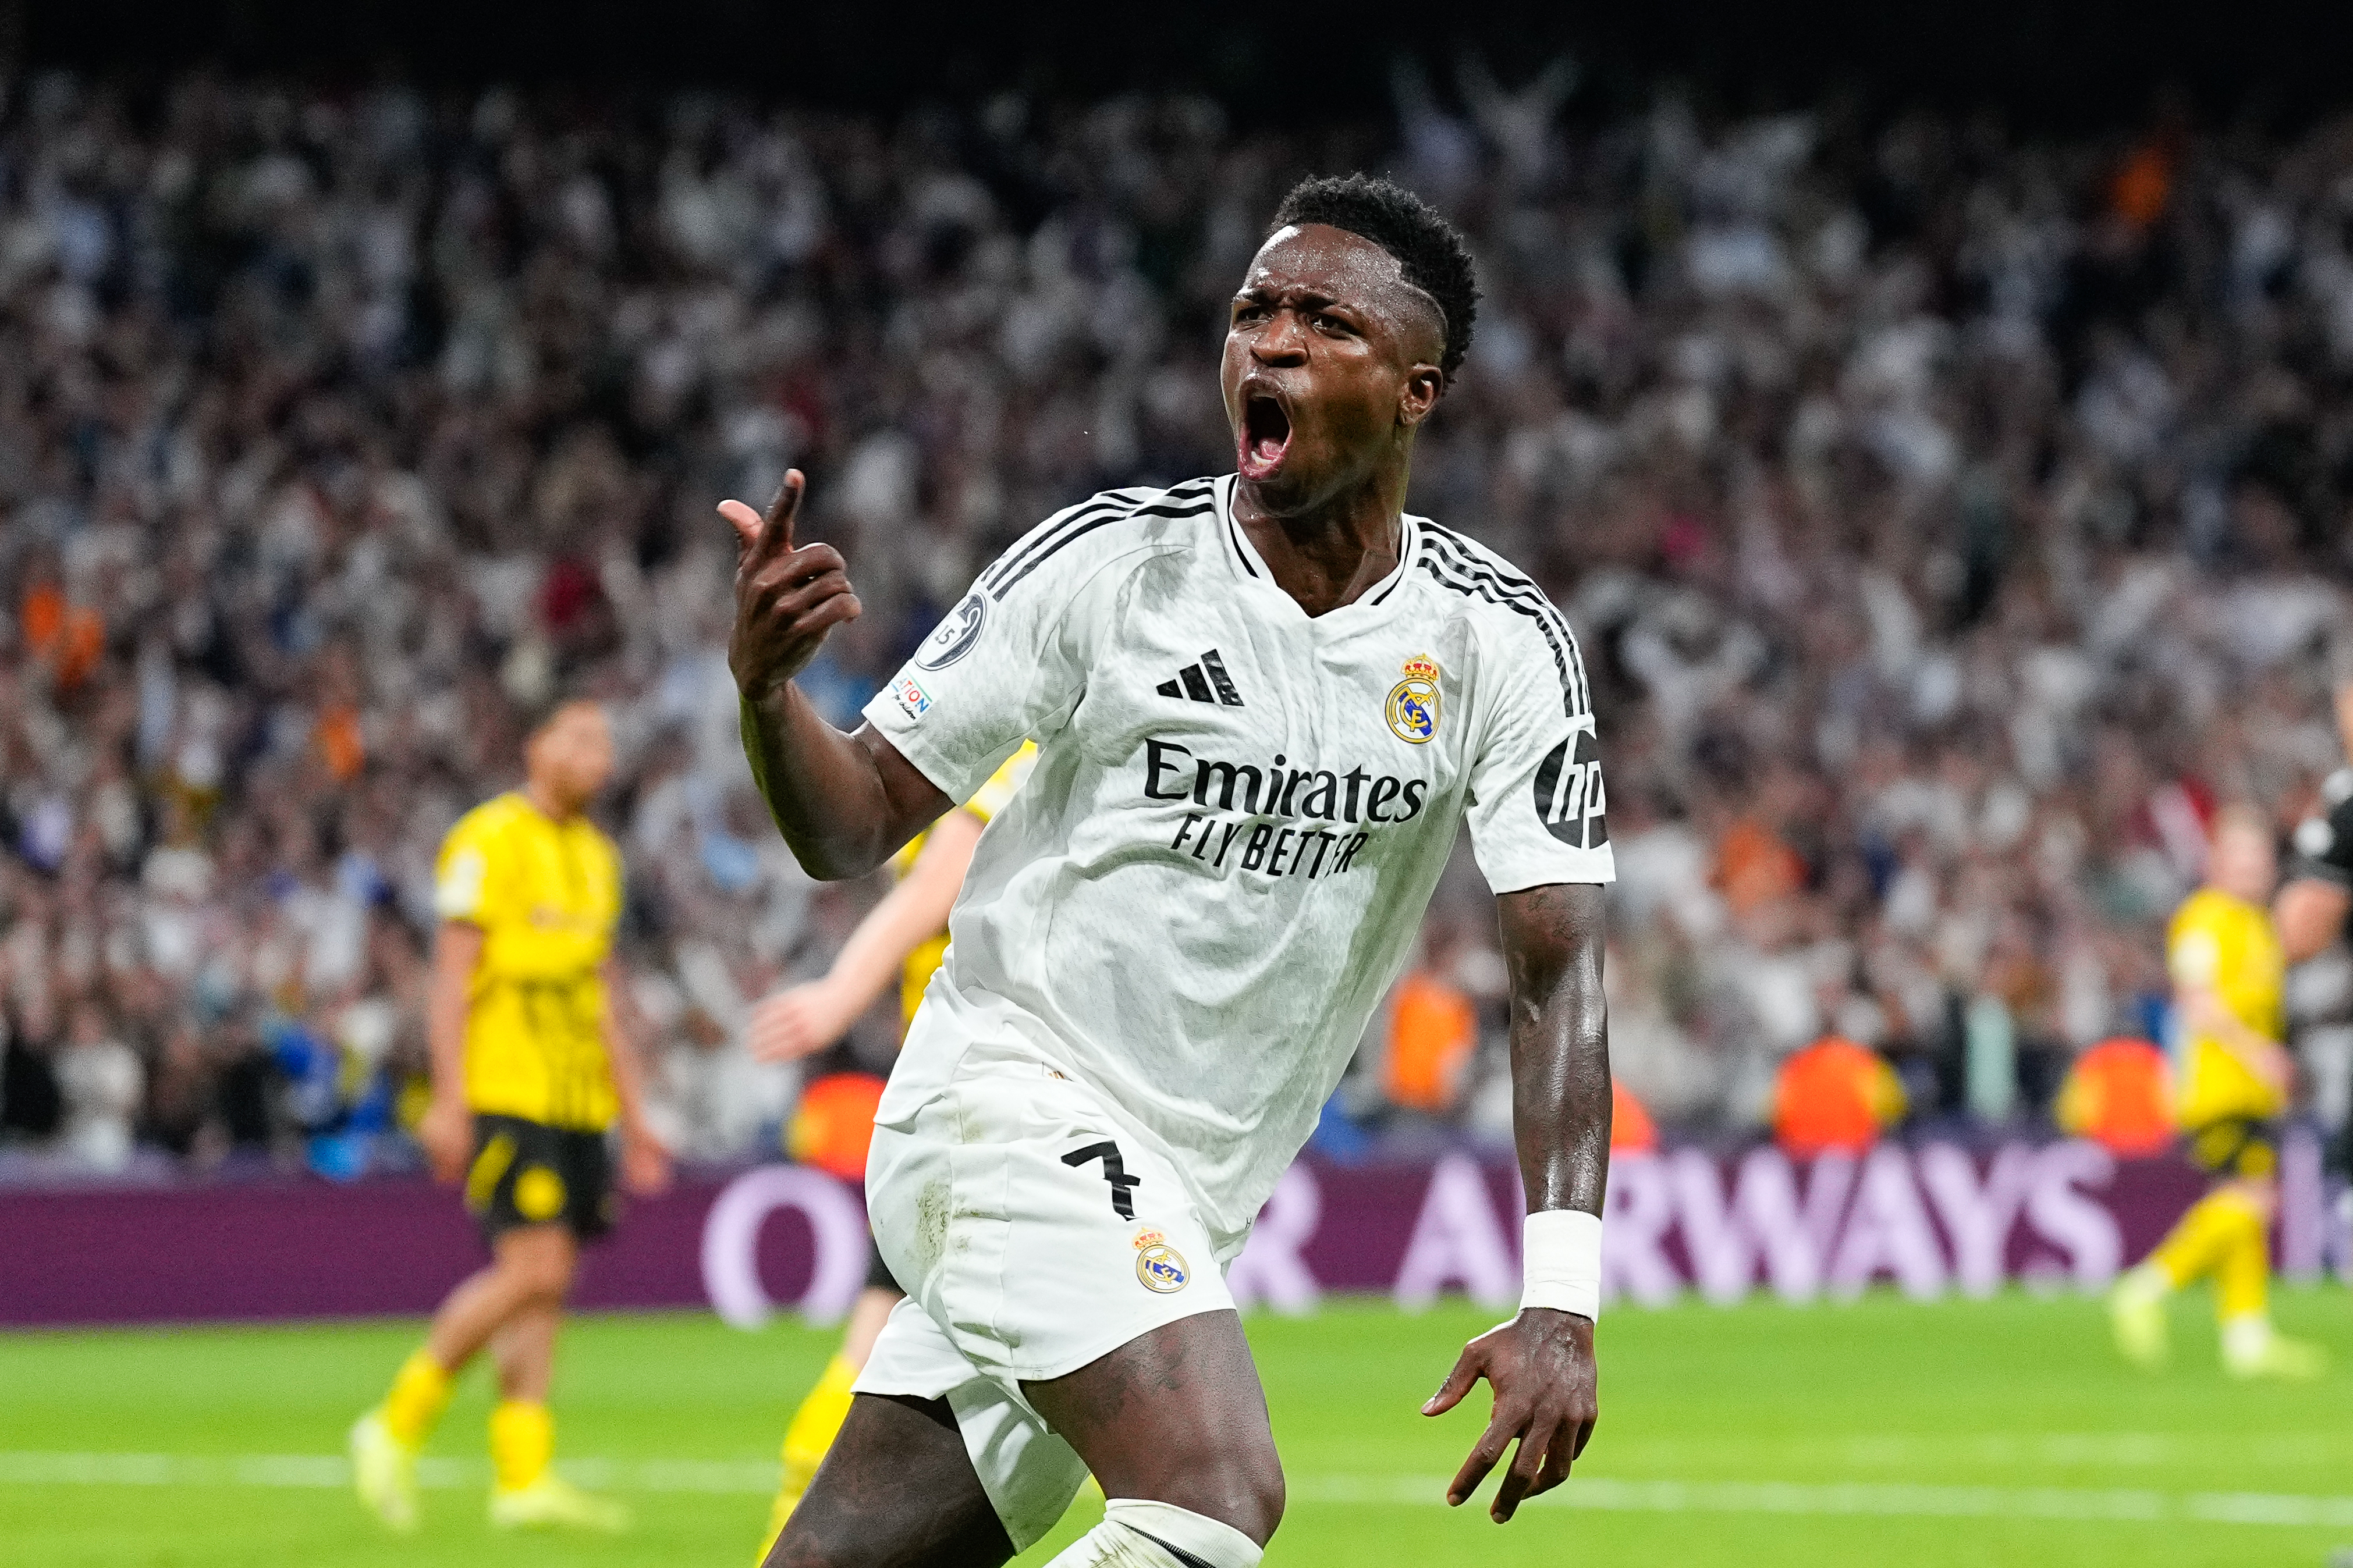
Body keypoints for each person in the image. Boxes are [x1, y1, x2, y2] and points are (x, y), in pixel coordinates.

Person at [727, 173, 1615, 1568]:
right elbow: (846, 828)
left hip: (1185, 1189)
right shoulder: (1108, 570)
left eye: (1322, 319)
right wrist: (768, 697)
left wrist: (1561, 1300)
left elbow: (1555, 967)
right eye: (1252, 310)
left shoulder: (1497, 643)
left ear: (1414, 393)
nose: (1268, 339)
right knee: (1212, 1495)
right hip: (1008, 1103)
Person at [349, 699, 672, 1532]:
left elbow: (601, 996)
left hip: (576, 1098)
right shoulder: (486, 839)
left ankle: (521, 1477)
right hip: (505, 1089)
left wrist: (635, 1113)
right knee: (530, 1270)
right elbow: (450, 978)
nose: (597, 755)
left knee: (550, 1282)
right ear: (535, 746)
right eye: (579, 737)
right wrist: (449, 1098)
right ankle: (393, 1422)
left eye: (605, 740)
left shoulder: (598, 856)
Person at [750, 742, 1035, 1554]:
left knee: (873, 1345)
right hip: (996, 1112)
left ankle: (785, 1535)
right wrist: (842, 992)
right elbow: (937, 883)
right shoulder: (1029, 749)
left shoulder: (952, 774)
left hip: (958, 1109)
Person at [2107, 805, 2325, 1378]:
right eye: (2241, 856)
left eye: (2260, 856)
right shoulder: (2202, 919)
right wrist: (2258, 1055)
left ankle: (2246, 1338)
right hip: (2214, 1086)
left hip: (2250, 1090)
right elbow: (2196, 1000)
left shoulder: (2256, 925)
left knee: (2248, 1206)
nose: (2254, 867)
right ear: (2215, 861)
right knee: (2250, 1200)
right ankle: (2148, 1285)